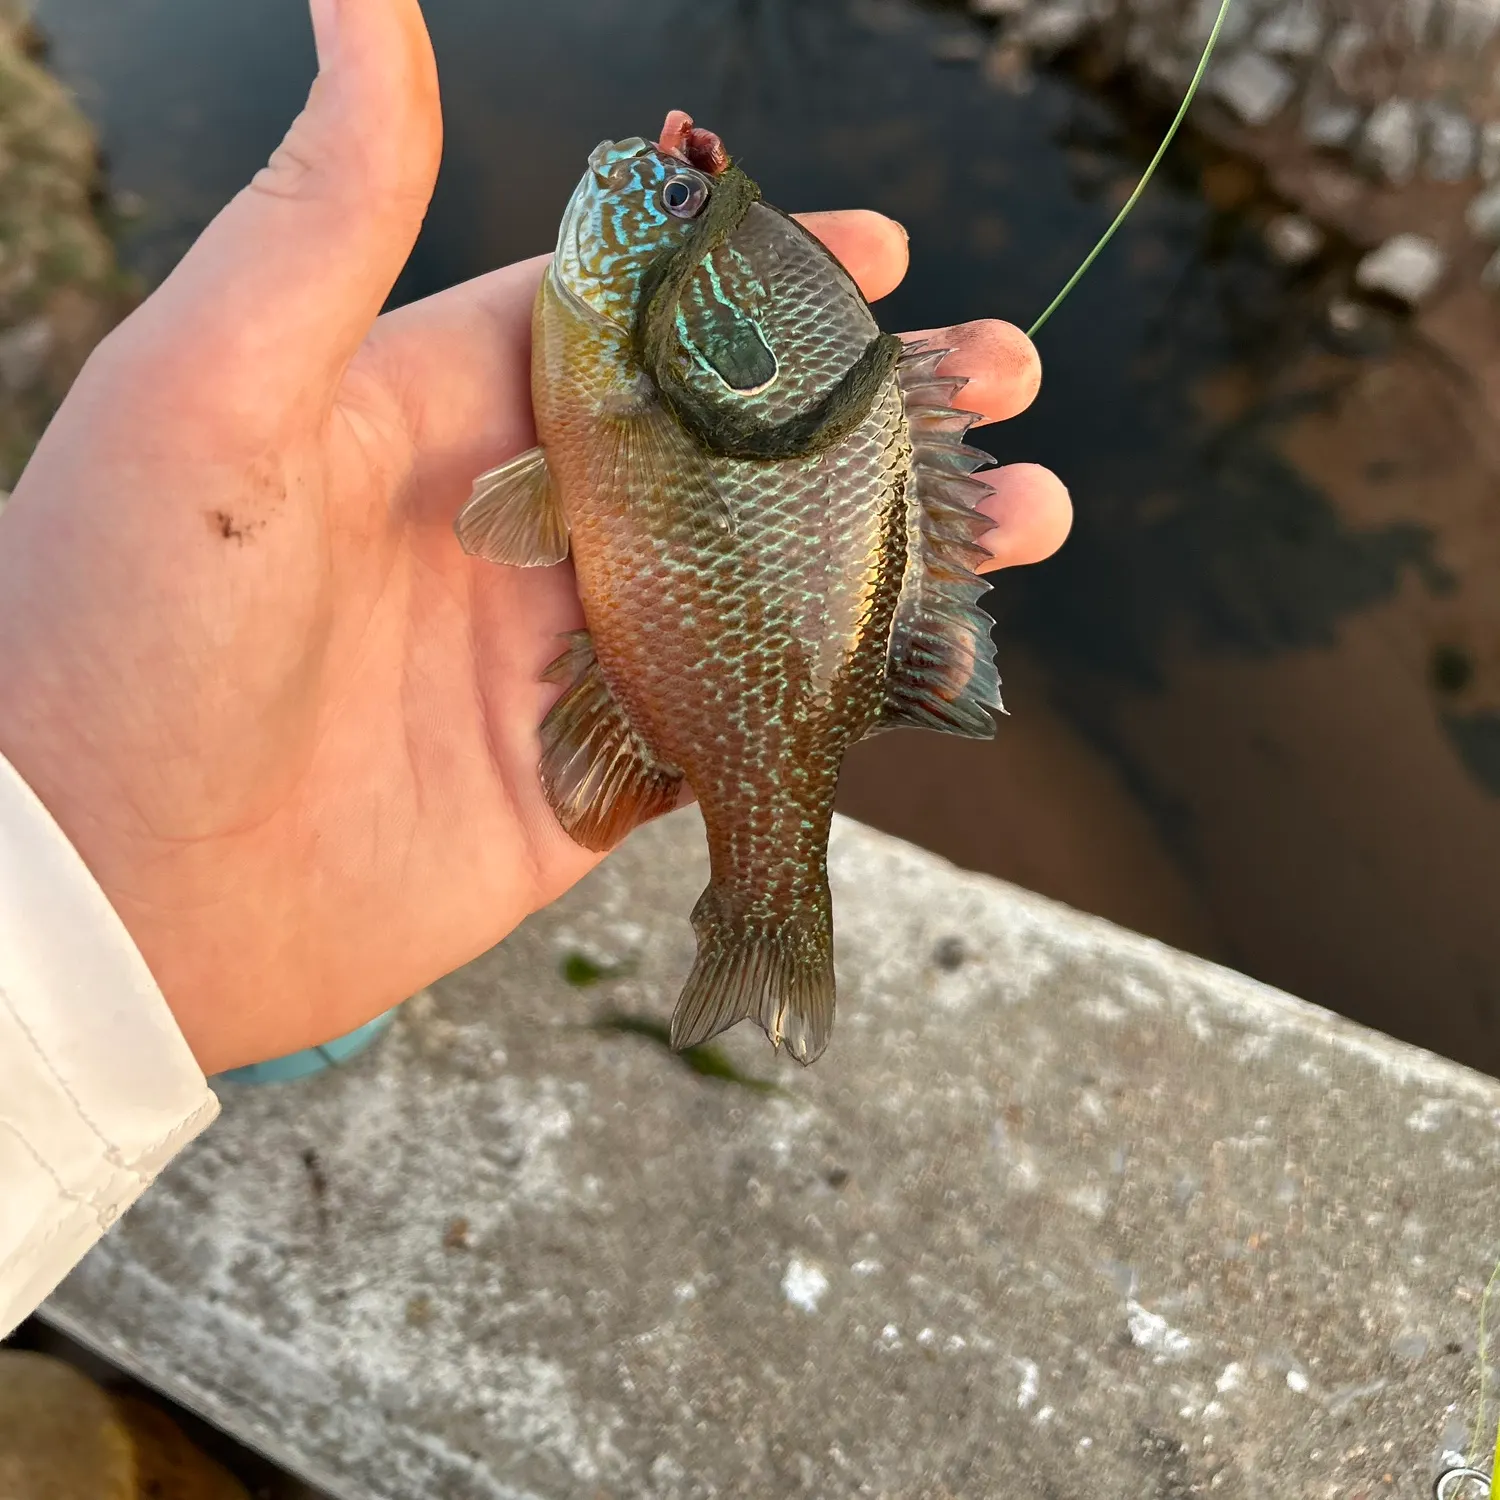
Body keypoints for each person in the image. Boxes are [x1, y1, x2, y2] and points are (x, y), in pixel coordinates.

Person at [0, 0, 1072, 1337]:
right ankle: (766, 913)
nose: (657, 185)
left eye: (685, 213)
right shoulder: (635, 346)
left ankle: (767, 909)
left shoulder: (632, 347)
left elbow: (574, 487)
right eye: (689, 207)